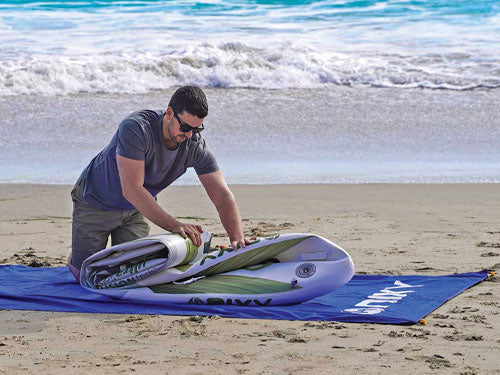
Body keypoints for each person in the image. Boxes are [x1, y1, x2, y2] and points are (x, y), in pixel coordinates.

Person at [69, 86, 247, 281]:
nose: (190, 135)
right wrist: (174, 225)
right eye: (186, 127)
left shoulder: (194, 143)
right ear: (169, 113)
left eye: (197, 129)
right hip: (95, 201)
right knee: (84, 276)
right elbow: (132, 189)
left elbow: (221, 194)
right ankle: (75, 258)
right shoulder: (136, 128)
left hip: (135, 211)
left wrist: (237, 239)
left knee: (132, 275)